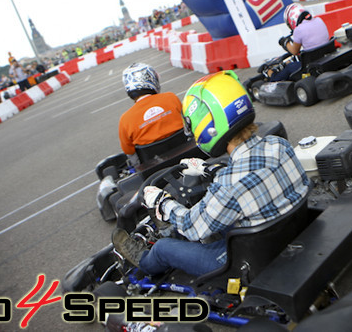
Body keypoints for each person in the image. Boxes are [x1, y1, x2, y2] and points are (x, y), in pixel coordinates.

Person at [112, 70, 310, 277]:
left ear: (209, 125)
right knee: (216, 219)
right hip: (288, 231)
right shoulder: (278, 145)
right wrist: (207, 169)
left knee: (162, 248)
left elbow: (191, 226)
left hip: (244, 261)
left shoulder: (228, 185)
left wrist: (162, 202)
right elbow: (251, 178)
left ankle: (144, 262)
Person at [118, 63, 184, 167]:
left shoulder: (125, 119)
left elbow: (128, 151)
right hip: (187, 155)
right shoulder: (170, 98)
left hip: (155, 168)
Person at [270, 3, 330, 82]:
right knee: (295, 61)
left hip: (311, 65)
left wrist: (285, 42)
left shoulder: (299, 30)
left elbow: (295, 51)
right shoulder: (319, 20)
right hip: (326, 58)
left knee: (289, 67)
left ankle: (272, 76)